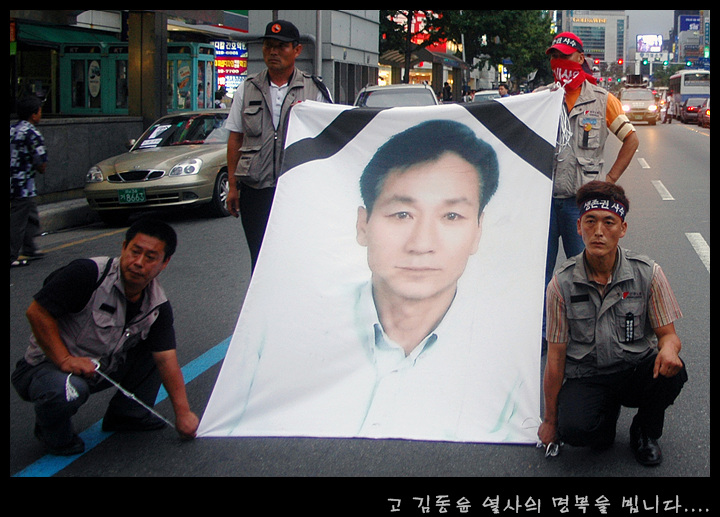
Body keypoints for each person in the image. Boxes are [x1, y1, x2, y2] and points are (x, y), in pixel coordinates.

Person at [11, 218, 199, 456]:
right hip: (46, 367)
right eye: (135, 252)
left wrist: (183, 414)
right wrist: (64, 360)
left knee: (154, 350)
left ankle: (128, 415)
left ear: (165, 263)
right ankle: (52, 431)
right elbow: (37, 312)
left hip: (98, 369)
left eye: (150, 257)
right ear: (124, 247)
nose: (138, 262)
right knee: (65, 391)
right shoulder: (89, 273)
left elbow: (166, 359)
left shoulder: (157, 306)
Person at [539, 181, 687, 466]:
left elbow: (668, 336)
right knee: (575, 430)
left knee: (673, 371)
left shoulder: (648, 273)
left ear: (623, 229)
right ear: (579, 226)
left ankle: (644, 431)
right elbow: (555, 358)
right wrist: (549, 421)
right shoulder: (561, 285)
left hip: (634, 369)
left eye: (609, 222)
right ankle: (604, 422)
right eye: (590, 221)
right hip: (588, 374)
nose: (598, 231)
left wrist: (669, 349)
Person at [542, 32, 640, 348]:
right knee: (539, 274)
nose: (559, 63)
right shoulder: (542, 99)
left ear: (580, 58)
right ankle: (543, 335)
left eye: (565, 56)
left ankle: (589, 334)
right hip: (542, 204)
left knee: (585, 274)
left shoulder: (601, 99)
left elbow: (632, 139)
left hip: (580, 205)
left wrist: (609, 180)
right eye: (554, 57)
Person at [225, 20, 332, 271]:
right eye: (268, 46)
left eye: (281, 46)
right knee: (260, 257)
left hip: (298, 190)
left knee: (297, 256)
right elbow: (236, 138)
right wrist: (232, 186)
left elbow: (327, 139)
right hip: (256, 189)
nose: (273, 52)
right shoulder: (247, 89)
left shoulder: (314, 89)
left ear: (297, 50)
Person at [11, 95, 48, 268]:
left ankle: (30, 247)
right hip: (22, 185)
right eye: (39, 111)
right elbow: (41, 164)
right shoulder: (32, 133)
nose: (41, 114)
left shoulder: (12, 130)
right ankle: (12, 255)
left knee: (31, 214)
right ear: (33, 115)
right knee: (18, 221)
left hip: (14, 183)